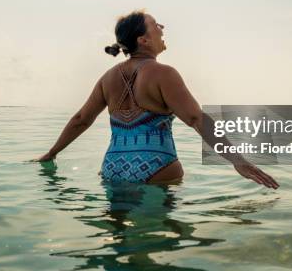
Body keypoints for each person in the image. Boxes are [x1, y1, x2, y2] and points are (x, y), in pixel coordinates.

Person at [33, 10, 278, 188]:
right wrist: (237, 160)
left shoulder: (107, 78)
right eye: (156, 25)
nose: (162, 28)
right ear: (143, 40)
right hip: (156, 167)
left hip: (112, 168)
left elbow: (81, 119)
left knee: (120, 242)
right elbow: (195, 118)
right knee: (162, 243)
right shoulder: (164, 74)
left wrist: (52, 153)